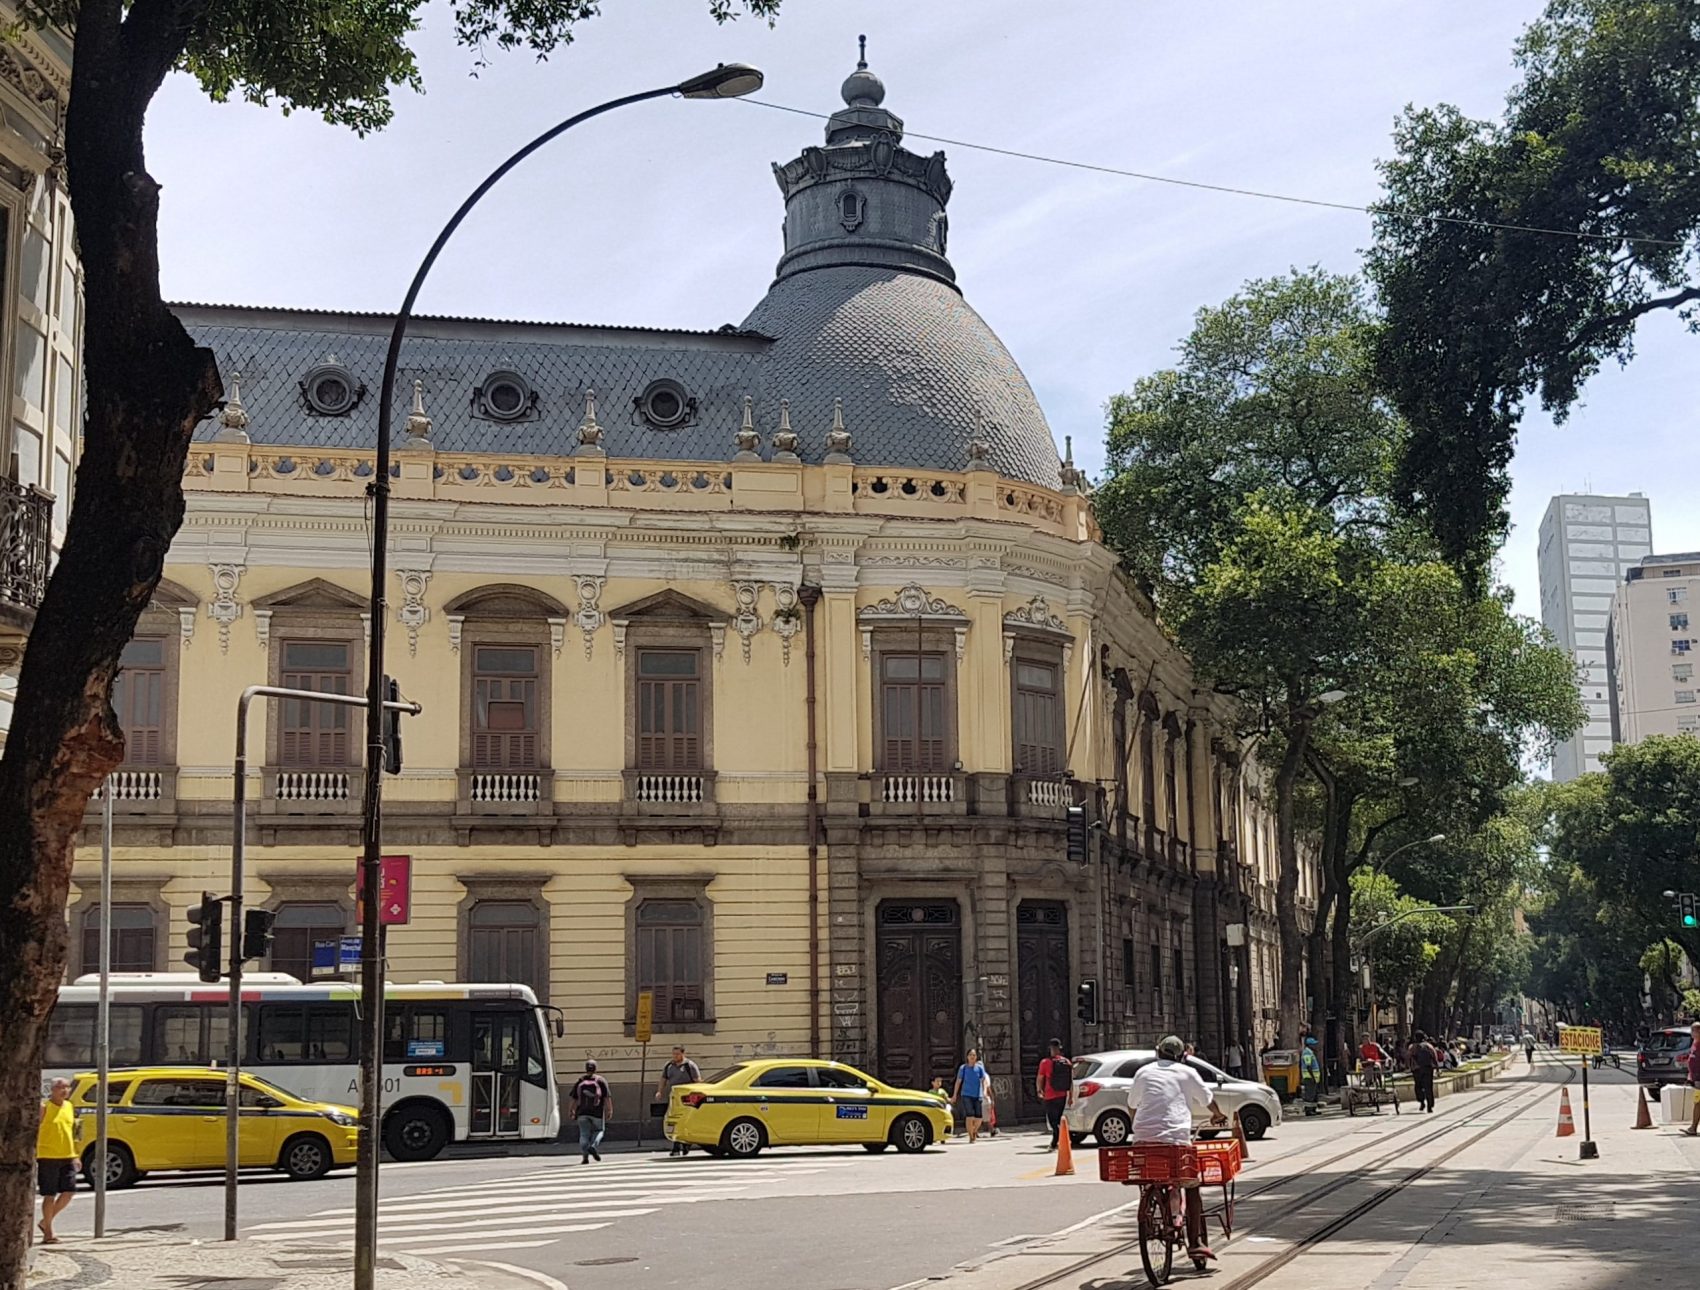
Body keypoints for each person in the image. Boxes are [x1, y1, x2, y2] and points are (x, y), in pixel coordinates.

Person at [1128, 1035, 1228, 1263]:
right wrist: (1218, 1114)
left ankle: (1153, 1206)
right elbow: (1207, 1099)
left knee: (1151, 1177)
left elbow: (1132, 1105)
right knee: (1192, 1187)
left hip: (1143, 1140)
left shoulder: (1143, 1073)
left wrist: (1140, 1128)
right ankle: (1195, 1243)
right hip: (1176, 1141)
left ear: (1157, 1052)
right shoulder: (1187, 1072)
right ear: (1183, 1055)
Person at [36, 1078, 77, 1246]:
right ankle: (49, 1232)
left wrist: (76, 1154)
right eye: (60, 1087)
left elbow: (73, 1132)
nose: (64, 1090)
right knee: (49, 1194)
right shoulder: (44, 1108)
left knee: (69, 1191)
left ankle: (46, 1221)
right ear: (52, 1090)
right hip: (48, 1155)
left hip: (67, 1154)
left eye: (66, 1087)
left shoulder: (69, 1107)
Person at [654, 1045, 702, 1157]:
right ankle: (678, 1145)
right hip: (674, 1098)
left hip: (687, 1098)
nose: (675, 1056)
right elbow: (663, 1079)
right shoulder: (669, 1066)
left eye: (677, 1054)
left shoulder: (690, 1066)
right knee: (675, 1121)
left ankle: (683, 1144)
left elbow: (697, 1081)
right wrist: (659, 1091)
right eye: (673, 1054)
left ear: (683, 1054)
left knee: (684, 1121)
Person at [570, 1059, 613, 1164]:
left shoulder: (580, 1081)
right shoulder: (601, 1081)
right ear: (595, 1068)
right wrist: (609, 1110)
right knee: (599, 1130)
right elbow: (607, 1097)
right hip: (597, 1112)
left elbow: (574, 1098)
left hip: (582, 1112)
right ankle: (593, 1146)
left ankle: (585, 1158)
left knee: (584, 1134)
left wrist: (571, 1110)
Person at [1035, 1038, 1073, 1150]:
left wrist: (1039, 1090)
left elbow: (1040, 1078)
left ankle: (1055, 1142)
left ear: (1051, 1049)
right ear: (1059, 1049)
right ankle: (1061, 1140)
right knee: (1059, 1118)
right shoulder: (1067, 1062)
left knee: (1053, 1121)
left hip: (1050, 1095)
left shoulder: (1045, 1062)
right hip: (1062, 1095)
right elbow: (1070, 1081)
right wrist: (1071, 1096)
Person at [953, 1047, 989, 1143]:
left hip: (978, 1095)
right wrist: (955, 1094)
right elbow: (958, 1081)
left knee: (979, 1117)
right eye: (970, 1055)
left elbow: (984, 1081)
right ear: (967, 1057)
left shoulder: (979, 1068)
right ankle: (970, 1136)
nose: (972, 1057)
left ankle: (974, 1130)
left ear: (976, 1057)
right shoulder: (963, 1068)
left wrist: (985, 1091)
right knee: (970, 1116)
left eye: (974, 1055)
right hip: (966, 1095)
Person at [1407, 1030, 1439, 1113]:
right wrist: (1437, 1067)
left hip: (1417, 1070)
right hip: (1428, 1069)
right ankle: (1430, 1106)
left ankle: (1421, 1101)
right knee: (1429, 1087)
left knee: (1418, 1086)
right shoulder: (1429, 1046)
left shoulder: (1412, 1047)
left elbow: (1408, 1058)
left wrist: (1410, 1067)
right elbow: (1434, 1057)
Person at [1683, 1022, 1700, 1137]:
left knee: (1698, 1102)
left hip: (1699, 1078)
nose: (1691, 1033)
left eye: (1693, 1031)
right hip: (1695, 1078)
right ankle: (1693, 1127)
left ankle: (1693, 1127)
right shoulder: (1695, 1043)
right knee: (1697, 1102)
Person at [1299, 1037, 1323, 1116]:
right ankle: (1308, 1111)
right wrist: (1312, 1077)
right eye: (1314, 1044)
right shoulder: (1307, 1053)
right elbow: (1308, 1066)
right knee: (1309, 1095)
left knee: (1314, 1095)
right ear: (1310, 1045)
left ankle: (1313, 1109)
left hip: (1313, 1078)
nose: (1316, 1046)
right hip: (1309, 1078)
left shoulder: (1310, 1052)